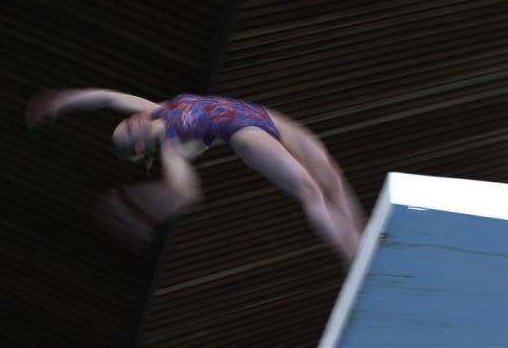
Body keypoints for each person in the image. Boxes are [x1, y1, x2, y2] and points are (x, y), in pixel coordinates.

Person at [26, 88, 364, 260]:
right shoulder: (173, 143)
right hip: (245, 133)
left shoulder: (153, 110)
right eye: (129, 132)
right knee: (310, 189)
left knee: (328, 172)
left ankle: (361, 239)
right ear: (141, 148)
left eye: (125, 123)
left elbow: (107, 98)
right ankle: (350, 255)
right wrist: (145, 208)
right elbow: (185, 186)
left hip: (260, 114)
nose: (131, 123)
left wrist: (60, 102)